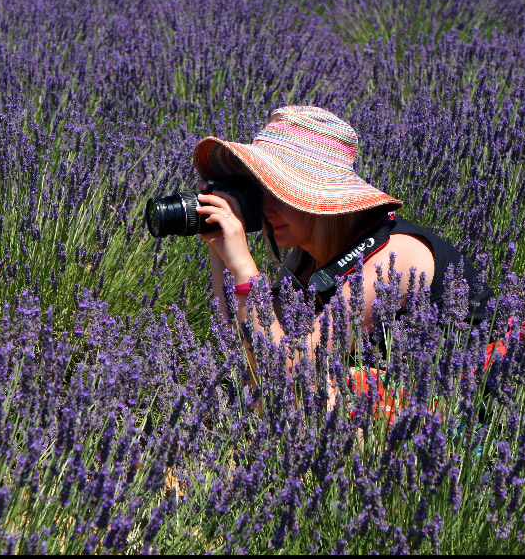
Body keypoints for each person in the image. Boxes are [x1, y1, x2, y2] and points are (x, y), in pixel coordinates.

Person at [192, 105, 496, 413]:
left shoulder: (393, 257)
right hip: (413, 397)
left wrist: (243, 269)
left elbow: (288, 371)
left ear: (319, 195)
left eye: (278, 192)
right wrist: (219, 245)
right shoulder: (306, 258)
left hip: (469, 410)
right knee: (262, 388)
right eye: (258, 192)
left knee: (315, 396)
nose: (265, 209)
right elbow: (249, 344)